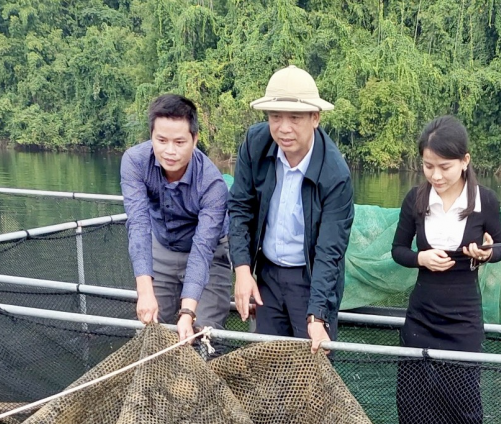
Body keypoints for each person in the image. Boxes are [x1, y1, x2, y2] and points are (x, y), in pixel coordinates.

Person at [390, 116, 501, 424]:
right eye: (428, 166)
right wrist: (420, 259)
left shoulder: (484, 200)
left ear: (465, 161)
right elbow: (398, 250)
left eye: (444, 166)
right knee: (414, 388)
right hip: (423, 308)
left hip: (463, 311)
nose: (436, 175)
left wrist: (486, 253)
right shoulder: (415, 199)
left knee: (465, 389)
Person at [227, 66, 355, 352]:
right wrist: (243, 270)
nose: (283, 128)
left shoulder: (336, 174)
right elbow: (239, 208)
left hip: (310, 278)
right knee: (268, 364)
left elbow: (330, 250)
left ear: (315, 118)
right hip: (268, 276)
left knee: (312, 369)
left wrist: (317, 314)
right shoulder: (255, 145)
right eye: (275, 117)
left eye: (295, 118)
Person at [120, 94, 232, 338]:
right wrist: (145, 292)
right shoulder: (135, 162)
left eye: (180, 142)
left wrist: (188, 313)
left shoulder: (212, 184)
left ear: (195, 139)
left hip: (210, 254)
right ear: (151, 136)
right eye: (161, 140)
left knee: (204, 333)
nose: (169, 151)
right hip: (162, 247)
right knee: (151, 329)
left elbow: (203, 248)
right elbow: (138, 224)